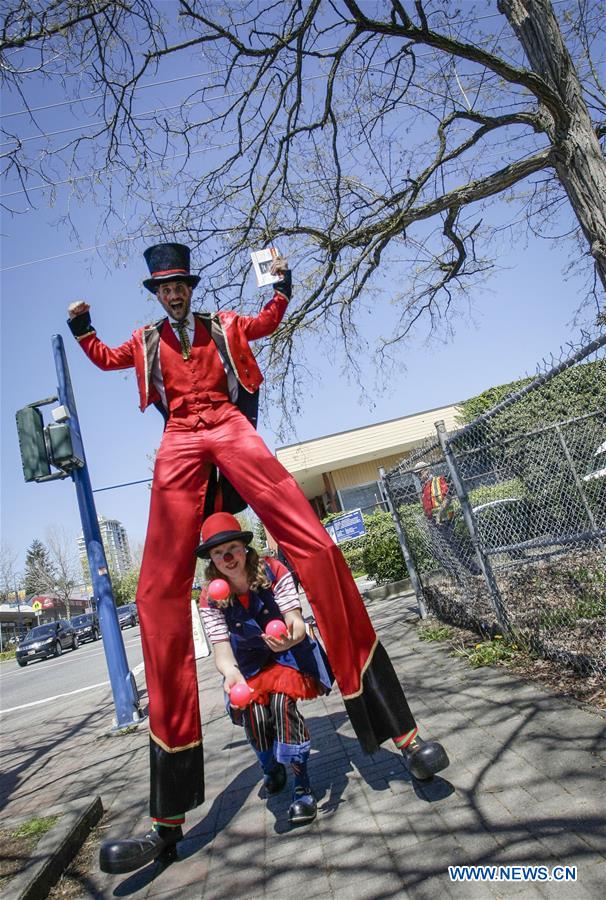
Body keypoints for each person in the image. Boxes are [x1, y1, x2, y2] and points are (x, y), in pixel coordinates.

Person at [67, 242, 449, 875]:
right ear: (156, 294)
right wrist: (84, 330)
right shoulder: (146, 339)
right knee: (155, 593)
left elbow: (269, 320)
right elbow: (109, 360)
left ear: (190, 286)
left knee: (320, 549)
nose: (174, 294)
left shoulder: (223, 326)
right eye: (164, 288)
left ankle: (403, 737)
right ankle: (166, 824)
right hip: (179, 439)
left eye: (180, 285)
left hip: (227, 426)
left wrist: (282, 283)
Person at [197, 513, 333, 826]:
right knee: (256, 716)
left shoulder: (273, 570)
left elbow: (296, 621)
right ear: (212, 560)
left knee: (282, 705)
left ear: (245, 548)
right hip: (246, 664)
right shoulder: (209, 597)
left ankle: (303, 787)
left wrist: (289, 639)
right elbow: (221, 651)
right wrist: (230, 674)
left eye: (232, 547)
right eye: (219, 552)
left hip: (288, 653)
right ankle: (271, 767)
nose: (228, 557)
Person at [418, 463, 481, 576]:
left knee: (455, 549)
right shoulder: (425, 487)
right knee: (440, 551)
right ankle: (457, 574)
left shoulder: (438, 480)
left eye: (420, 473)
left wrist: (439, 515)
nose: (419, 476)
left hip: (444, 521)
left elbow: (447, 497)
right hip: (433, 522)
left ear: (426, 471)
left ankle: (475, 570)